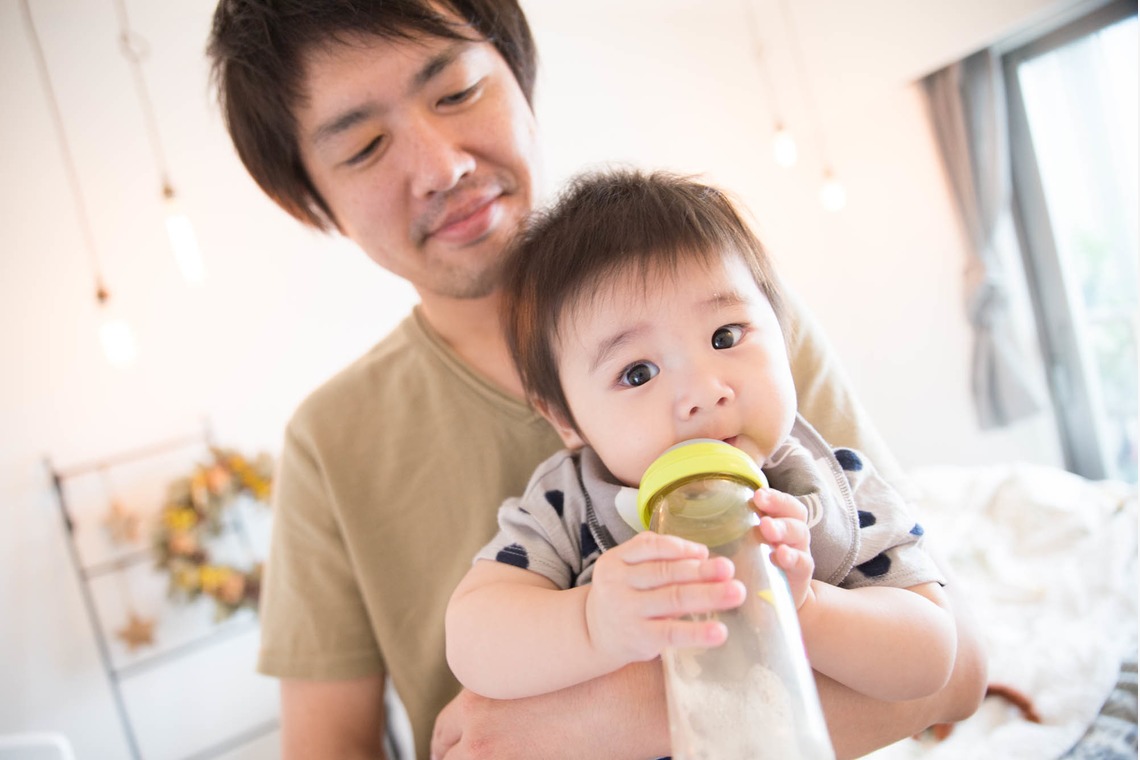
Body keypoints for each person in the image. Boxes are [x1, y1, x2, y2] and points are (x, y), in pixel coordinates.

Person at [205, 2, 987, 759]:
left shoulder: (740, 334)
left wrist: (605, 722)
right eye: (366, 147)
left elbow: (956, 665)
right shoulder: (332, 440)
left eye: (456, 93)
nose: (442, 167)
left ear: (518, 73)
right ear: (312, 198)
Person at [446, 169, 957, 707]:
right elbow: (473, 639)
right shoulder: (567, 506)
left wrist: (806, 611)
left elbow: (930, 657)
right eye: (638, 373)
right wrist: (593, 624)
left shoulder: (835, 484)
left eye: (725, 336)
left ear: (783, 338)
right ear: (566, 420)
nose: (703, 392)